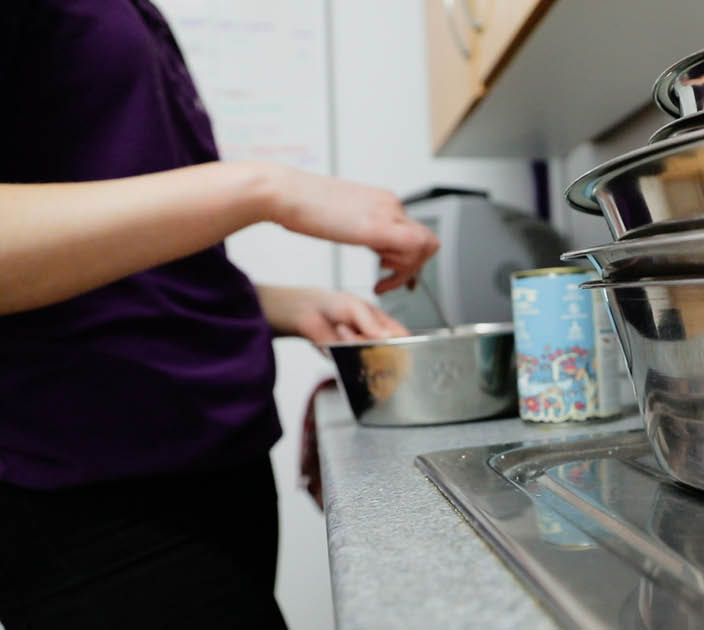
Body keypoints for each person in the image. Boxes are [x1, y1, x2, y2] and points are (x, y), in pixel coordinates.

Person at [0, 1, 436, 628]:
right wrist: (265, 190)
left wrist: (284, 306)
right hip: (90, 488)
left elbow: (123, 260)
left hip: (213, 455)